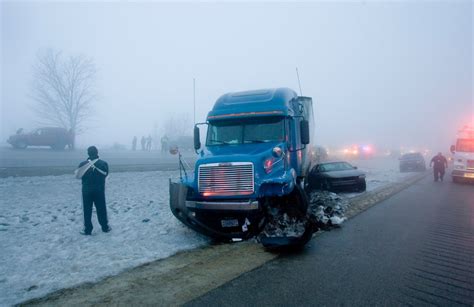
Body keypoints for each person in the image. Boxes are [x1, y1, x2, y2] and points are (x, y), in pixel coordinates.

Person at [76, 146, 111, 235]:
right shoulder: (103, 163)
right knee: (101, 208)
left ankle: (87, 229)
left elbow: (78, 176)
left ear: (88, 153)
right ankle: (105, 227)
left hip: (86, 190)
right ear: (97, 152)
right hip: (99, 190)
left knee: (87, 210)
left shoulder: (82, 164)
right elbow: (106, 174)